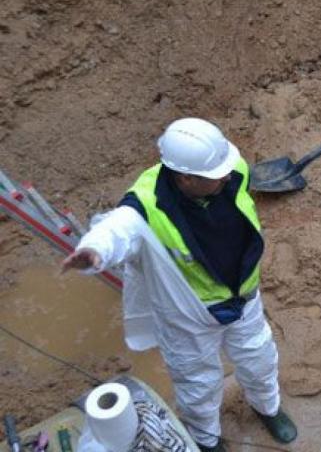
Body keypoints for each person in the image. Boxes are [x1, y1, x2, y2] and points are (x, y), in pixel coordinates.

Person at [61, 118, 297, 451]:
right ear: (185, 178)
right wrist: (94, 250)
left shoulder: (233, 170)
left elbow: (232, 184)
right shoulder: (146, 204)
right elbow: (116, 229)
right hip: (189, 316)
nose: (228, 175)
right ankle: (206, 439)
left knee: (260, 359)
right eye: (216, 175)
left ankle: (268, 408)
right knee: (197, 383)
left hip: (243, 299)